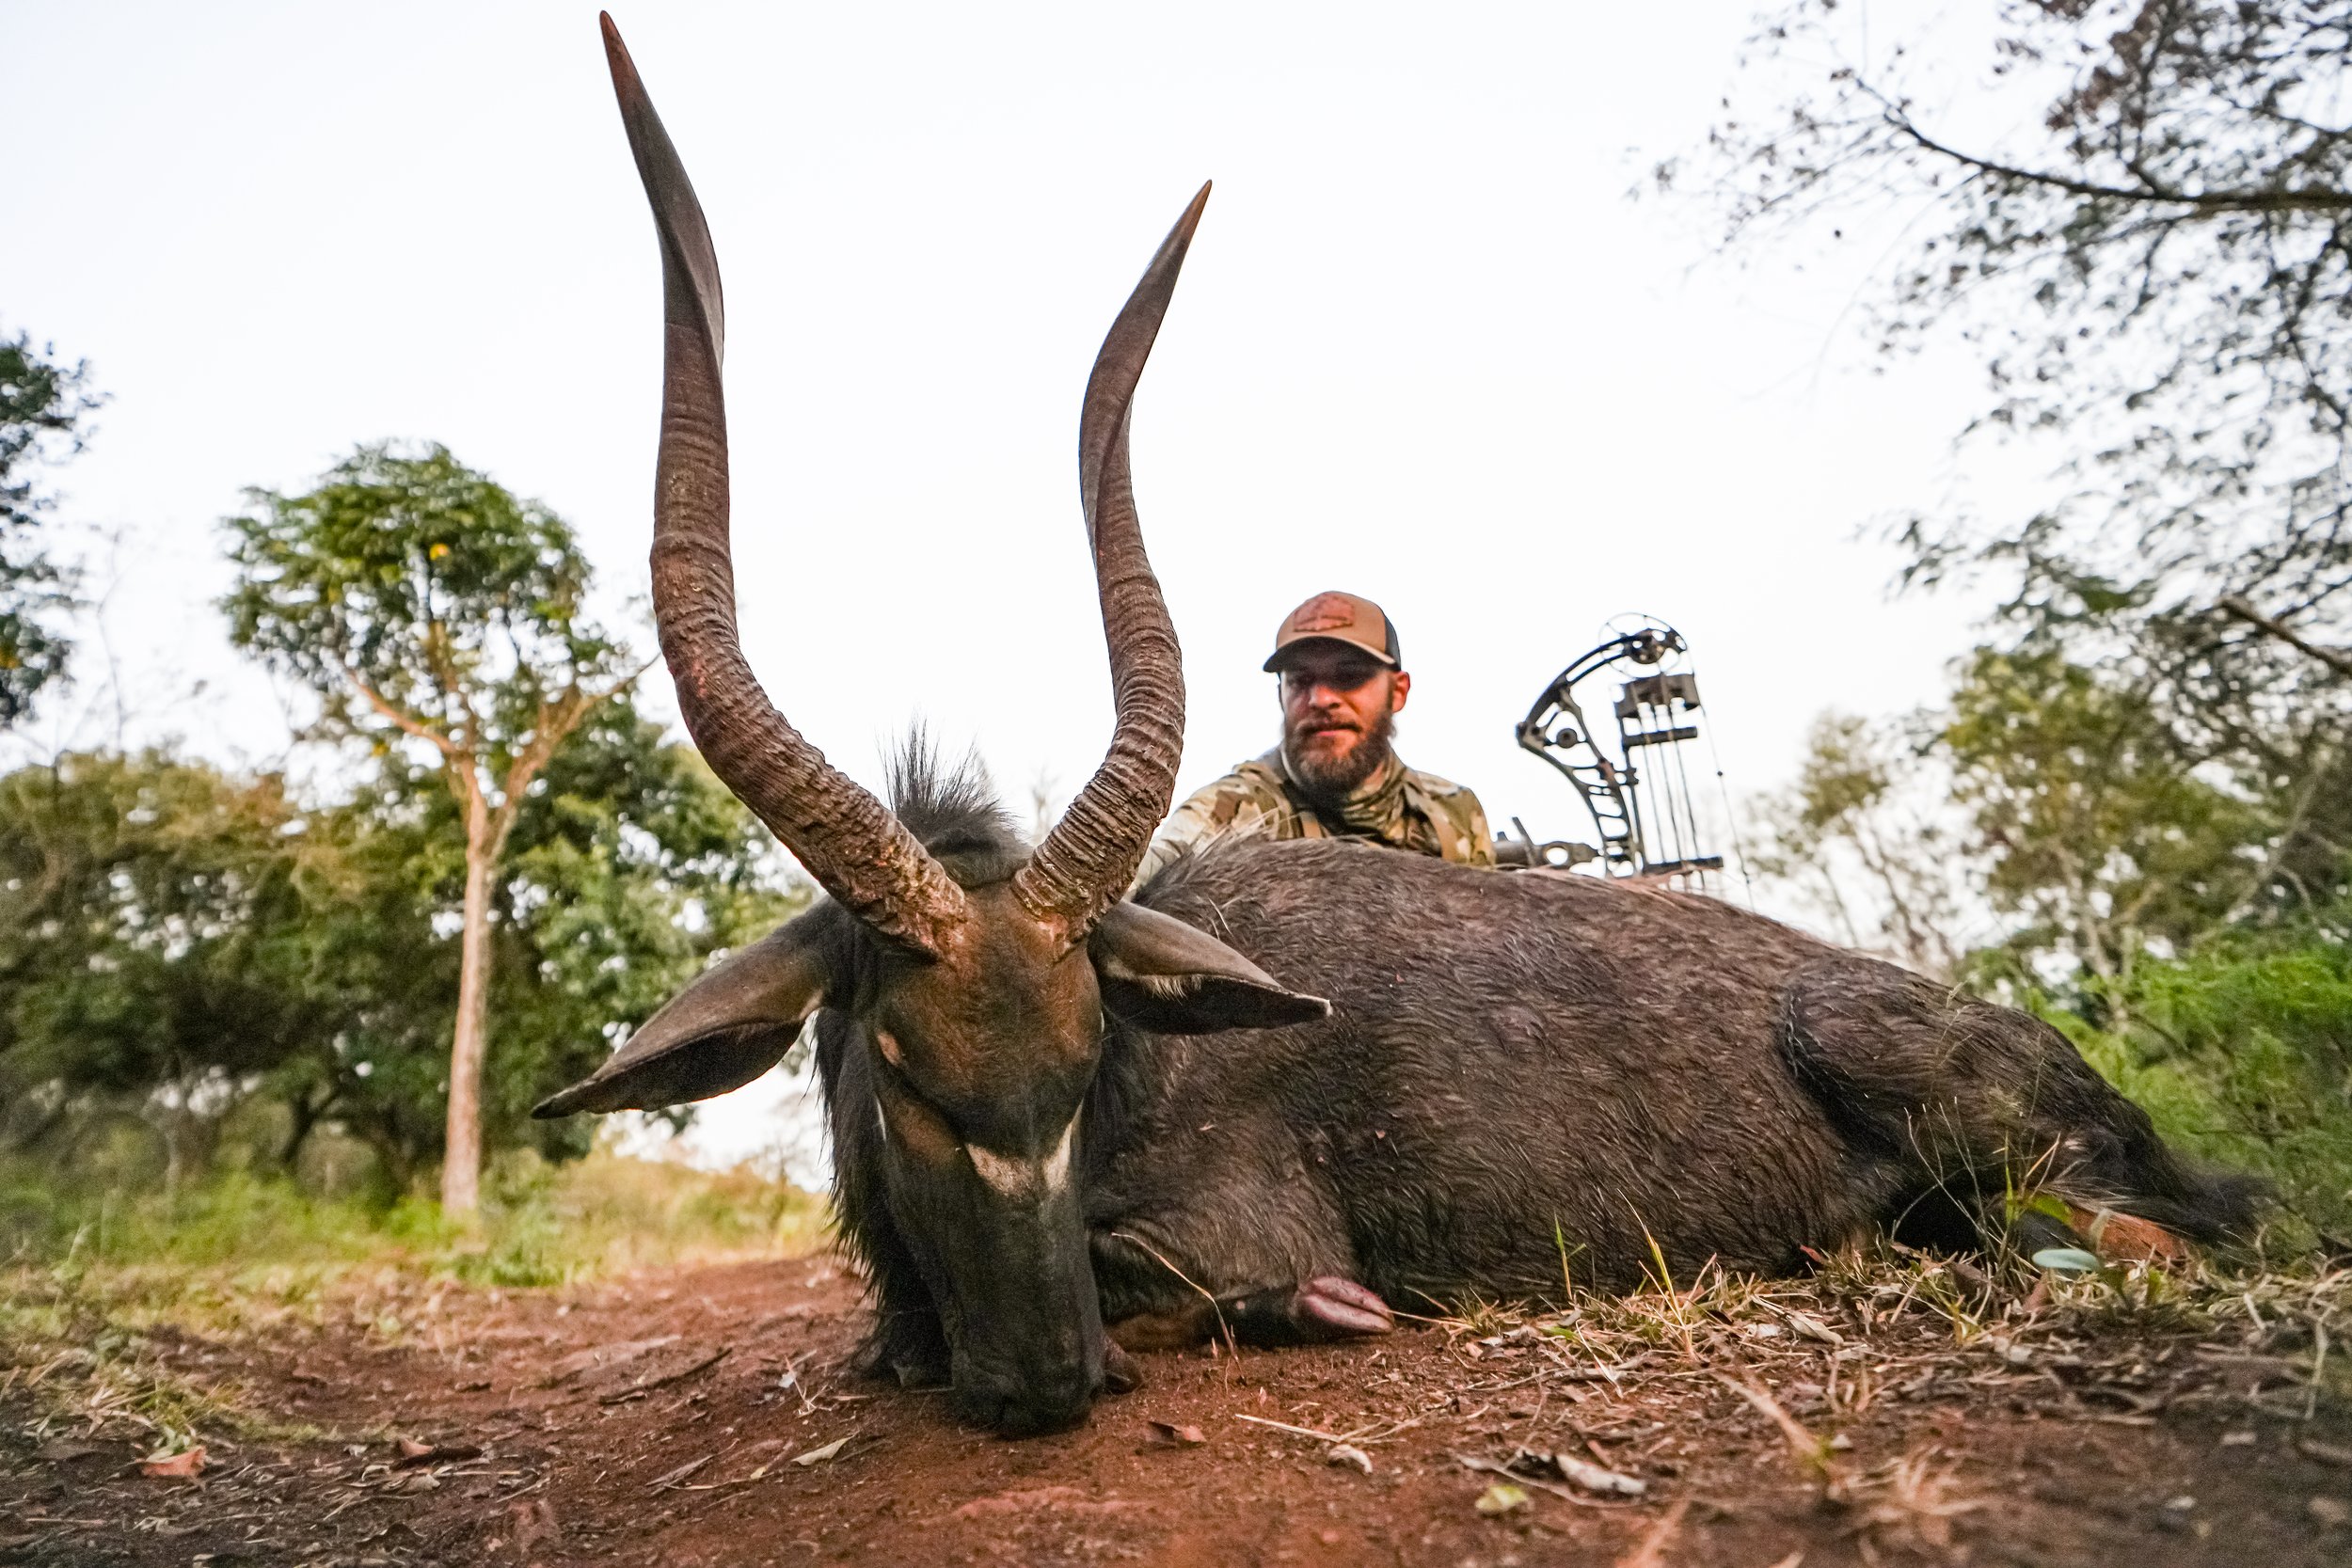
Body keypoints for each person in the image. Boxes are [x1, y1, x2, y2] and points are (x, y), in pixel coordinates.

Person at [1133, 590, 1495, 887]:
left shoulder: (1454, 814)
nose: (1320, 699)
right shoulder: (1236, 809)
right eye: (1300, 681)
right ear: (1281, 696)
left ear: (1398, 692)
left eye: (1349, 676)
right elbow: (1158, 862)